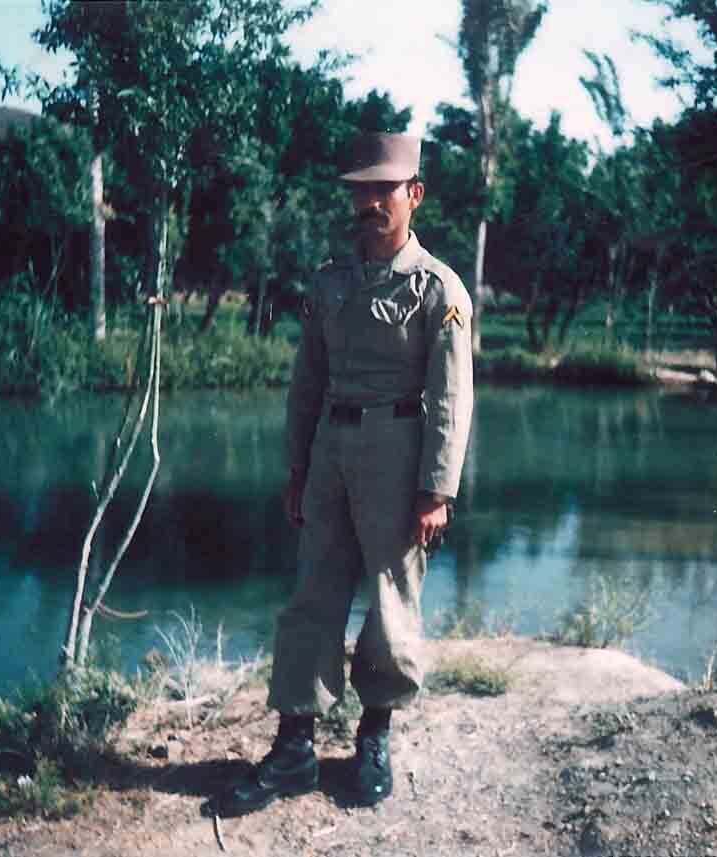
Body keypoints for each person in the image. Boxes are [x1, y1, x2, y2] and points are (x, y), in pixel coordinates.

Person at [221, 132, 474, 814]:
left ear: (414, 195)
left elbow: (452, 396)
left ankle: (373, 735)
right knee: (313, 594)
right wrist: (296, 466)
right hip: (331, 449)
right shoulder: (330, 282)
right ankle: (294, 747)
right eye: (361, 190)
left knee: (391, 600)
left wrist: (436, 490)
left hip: (399, 451)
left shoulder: (437, 289)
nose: (369, 202)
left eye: (383, 189)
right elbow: (307, 381)